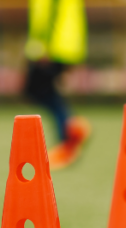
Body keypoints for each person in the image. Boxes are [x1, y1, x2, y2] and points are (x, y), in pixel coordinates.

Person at [24, 0, 91, 170]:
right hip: (64, 45)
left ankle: (69, 137)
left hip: (52, 47)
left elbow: (51, 13)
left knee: (37, 90)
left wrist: (44, 47)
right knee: (44, 91)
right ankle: (71, 130)